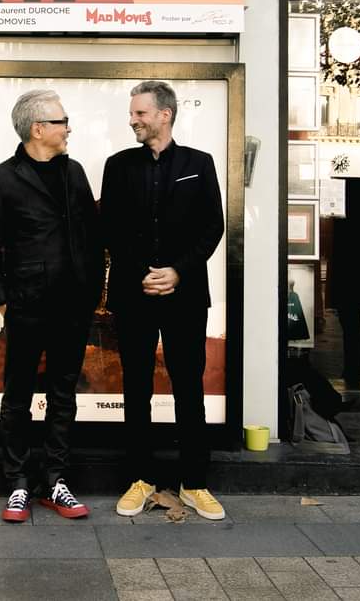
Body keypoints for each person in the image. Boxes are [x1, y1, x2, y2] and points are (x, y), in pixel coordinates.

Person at [0, 89, 103, 523]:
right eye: (62, 120)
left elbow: (92, 238)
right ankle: (17, 483)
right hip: (27, 307)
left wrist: (93, 293)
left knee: (63, 394)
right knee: (17, 397)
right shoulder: (2, 179)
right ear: (38, 129)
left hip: (73, 307)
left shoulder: (76, 173)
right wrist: (3, 303)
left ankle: (56, 481)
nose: (69, 128)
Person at [100, 80, 226, 520]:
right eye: (132, 114)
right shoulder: (118, 165)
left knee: (188, 387)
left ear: (164, 115)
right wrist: (144, 275)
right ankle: (141, 480)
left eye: (140, 113)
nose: (133, 120)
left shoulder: (199, 163)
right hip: (134, 295)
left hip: (185, 294)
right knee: (136, 388)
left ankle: (194, 483)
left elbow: (213, 226)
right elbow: (110, 228)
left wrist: (178, 271)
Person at [330, 178, 360, 391]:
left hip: (346, 275)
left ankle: (351, 368)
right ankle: (352, 368)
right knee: (352, 322)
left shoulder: (346, 217)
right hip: (357, 275)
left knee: (349, 323)